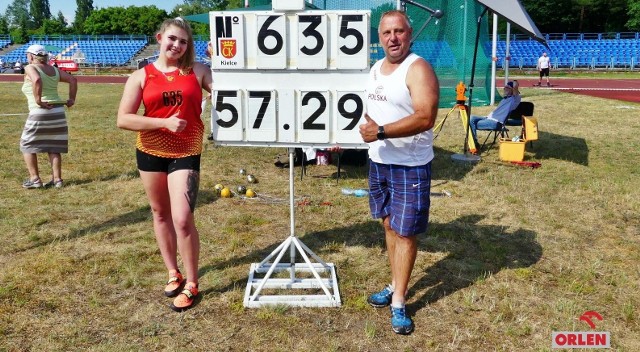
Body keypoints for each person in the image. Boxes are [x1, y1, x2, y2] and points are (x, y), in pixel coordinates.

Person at [117, 17, 212, 312]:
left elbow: (225, 93)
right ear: (159, 38)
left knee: (182, 218)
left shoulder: (198, 71)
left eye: (183, 41)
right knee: (160, 214)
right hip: (150, 151)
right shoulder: (141, 76)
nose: (177, 45)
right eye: (172, 39)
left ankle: (192, 282)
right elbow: (124, 119)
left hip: (186, 150)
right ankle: (173, 271)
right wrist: (163, 123)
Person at [359, 10, 439, 335]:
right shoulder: (375, 69)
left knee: (405, 232)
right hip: (379, 161)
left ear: (409, 34)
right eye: (386, 32)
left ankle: (400, 301)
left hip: (410, 165)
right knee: (389, 224)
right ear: (379, 38)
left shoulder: (417, 68)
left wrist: (380, 132)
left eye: (399, 31)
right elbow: (369, 110)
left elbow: (425, 117)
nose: (393, 38)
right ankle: (394, 283)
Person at [20, 44, 77, 189]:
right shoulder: (53, 69)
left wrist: (38, 100)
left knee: (27, 145)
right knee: (54, 147)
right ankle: (57, 180)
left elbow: (37, 80)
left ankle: (35, 180)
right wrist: (71, 99)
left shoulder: (30, 67)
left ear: (32, 56)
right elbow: (73, 80)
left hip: (40, 110)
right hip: (57, 111)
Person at [469, 80, 521, 146]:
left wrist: (514, 81)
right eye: (505, 88)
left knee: (471, 124)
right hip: (488, 118)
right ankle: (474, 141)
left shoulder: (515, 99)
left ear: (512, 90)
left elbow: (515, 85)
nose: (505, 89)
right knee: (470, 118)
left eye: (508, 88)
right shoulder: (505, 99)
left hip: (496, 122)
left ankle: (474, 143)